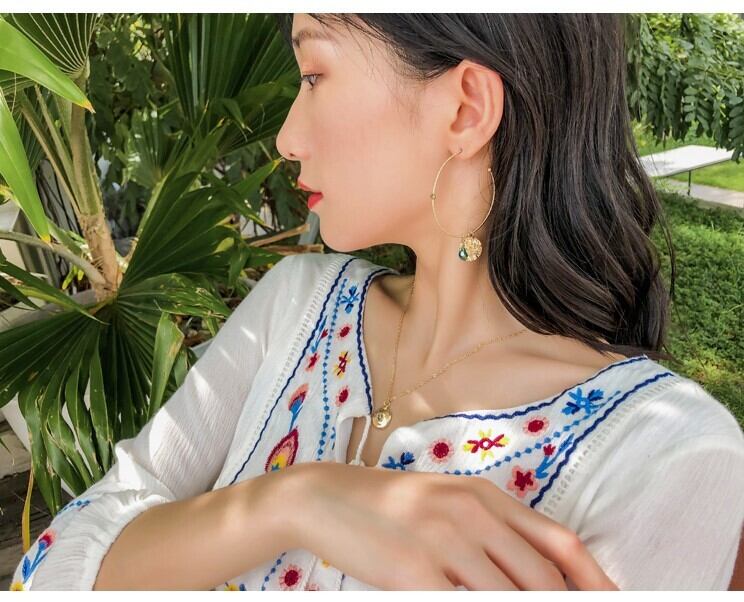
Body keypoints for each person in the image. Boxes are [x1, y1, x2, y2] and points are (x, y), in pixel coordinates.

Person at [10, 13, 744, 591]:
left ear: (464, 110)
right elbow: (49, 567)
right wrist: (291, 502)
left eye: (314, 75)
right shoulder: (295, 304)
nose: (287, 138)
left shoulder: (669, 456)